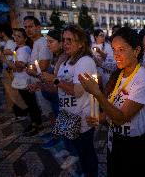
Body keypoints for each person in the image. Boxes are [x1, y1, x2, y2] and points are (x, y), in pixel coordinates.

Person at [79, 27, 145, 177]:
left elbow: (121, 118)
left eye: (121, 49)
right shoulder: (119, 74)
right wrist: (99, 118)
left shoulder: (143, 79)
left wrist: (97, 92)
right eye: (114, 50)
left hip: (134, 146)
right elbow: (112, 106)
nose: (116, 55)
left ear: (136, 50)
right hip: (113, 140)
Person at [54, 25, 98, 176]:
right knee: (80, 149)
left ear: (81, 44)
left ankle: (91, 174)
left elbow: (78, 91)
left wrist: (54, 81)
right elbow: (59, 88)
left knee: (86, 151)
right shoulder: (67, 60)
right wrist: (40, 82)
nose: (65, 43)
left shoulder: (85, 61)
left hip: (83, 116)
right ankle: (86, 171)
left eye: (70, 40)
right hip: (69, 115)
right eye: (63, 40)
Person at [24, 16, 52, 134]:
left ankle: (58, 138)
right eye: (25, 27)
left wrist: (30, 69)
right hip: (38, 82)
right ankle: (55, 134)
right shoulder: (35, 43)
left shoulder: (43, 42)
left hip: (45, 82)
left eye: (30, 26)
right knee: (46, 110)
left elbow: (44, 65)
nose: (27, 30)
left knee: (51, 111)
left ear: (38, 27)